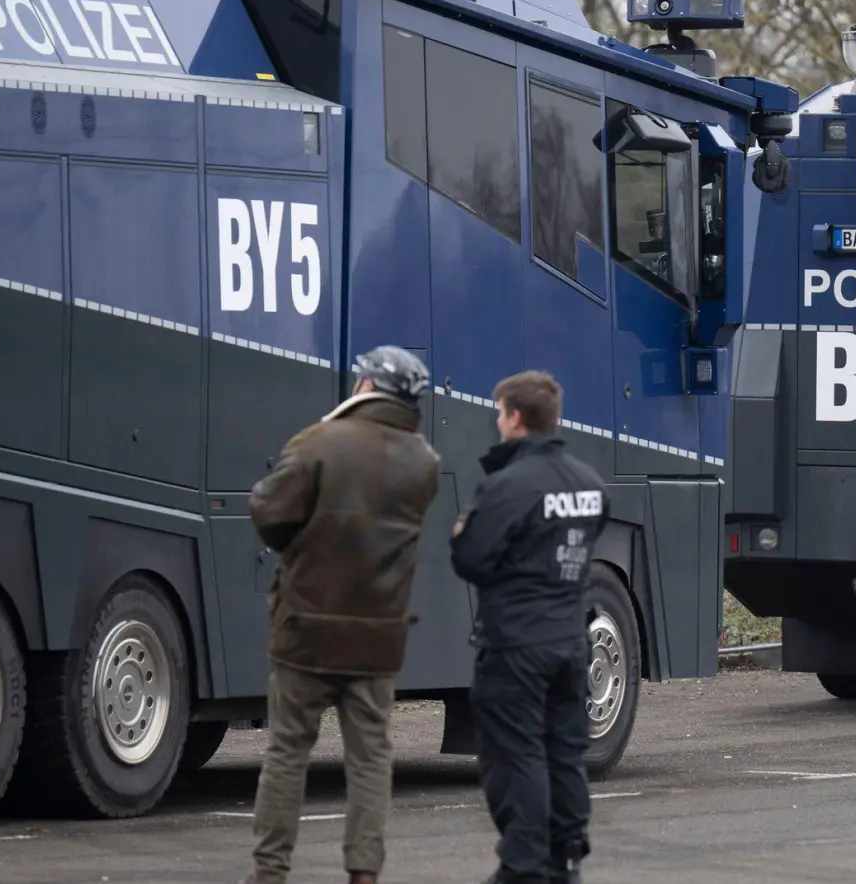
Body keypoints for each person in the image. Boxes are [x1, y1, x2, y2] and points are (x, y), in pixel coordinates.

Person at [238, 346, 443, 884]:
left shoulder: (317, 444)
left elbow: (268, 511)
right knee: (371, 757)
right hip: (377, 638)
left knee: (287, 752)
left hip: (305, 629)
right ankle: (364, 874)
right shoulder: (424, 464)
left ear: (369, 387)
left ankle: (269, 872)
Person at [450, 370, 610, 884]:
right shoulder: (588, 483)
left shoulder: (508, 485)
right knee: (565, 751)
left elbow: (472, 558)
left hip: (516, 645)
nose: (497, 423)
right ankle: (565, 858)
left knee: (515, 756)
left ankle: (522, 868)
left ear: (516, 418)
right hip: (568, 641)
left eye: (499, 413)